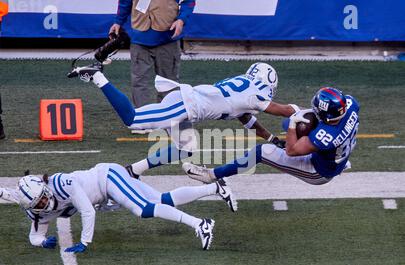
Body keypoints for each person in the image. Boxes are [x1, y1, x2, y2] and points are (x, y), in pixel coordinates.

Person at [67, 62, 300, 178]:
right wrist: (303, 111)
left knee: (185, 149)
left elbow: (247, 119)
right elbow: (280, 109)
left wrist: (271, 138)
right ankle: (97, 76)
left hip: (188, 106)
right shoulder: (254, 93)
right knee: (133, 120)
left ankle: (133, 171)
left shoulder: (245, 88)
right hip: (184, 105)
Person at [0, 163, 238, 252]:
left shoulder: (63, 183)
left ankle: (200, 224)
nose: (44, 203)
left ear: (44, 186)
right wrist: (42, 242)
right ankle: (215, 189)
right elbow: (34, 235)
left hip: (108, 178)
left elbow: (87, 211)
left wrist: (84, 242)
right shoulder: (34, 209)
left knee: (143, 210)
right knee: (162, 200)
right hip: (106, 191)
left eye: (43, 198)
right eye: (39, 204)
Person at [182, 87, 360, 185]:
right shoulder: (350, 105)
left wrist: (292, 125)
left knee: (262, 152)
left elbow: (291, 150)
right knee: (300, 115)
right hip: (338, 152)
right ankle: (338, 162)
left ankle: (211, 175)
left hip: (319, 172)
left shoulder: (326, 135)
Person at [109, 0, 195, 109]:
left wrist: (181, 20)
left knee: (168, 83)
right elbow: (125, 2)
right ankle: (142, 118)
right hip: (139, 39)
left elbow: (189, 1)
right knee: (139, 83)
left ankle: (167, 117)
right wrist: (118, 22)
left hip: (168, 39)